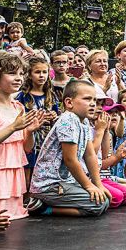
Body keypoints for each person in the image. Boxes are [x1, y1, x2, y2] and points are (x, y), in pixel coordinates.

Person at [27, 80, 111, 216]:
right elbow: (70, 160)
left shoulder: (83, 122)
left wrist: (98, 184)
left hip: (66, 182)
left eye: (94, 100)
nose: (93, 104)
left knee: (104, 198)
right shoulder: (68, 120)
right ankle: (42, 208)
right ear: (69, 102)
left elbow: (90, 155)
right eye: (87, 99)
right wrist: (89, 186)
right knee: (98, 204)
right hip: (49, 185)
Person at [0, 53, 44, 220]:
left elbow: (26, 148)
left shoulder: (18, 107)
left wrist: (30, 131)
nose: (18, 78)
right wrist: (13, 127)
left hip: (14, 175)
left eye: (21, 74)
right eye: (11, 73)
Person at [16, 57, 60, 187]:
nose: (41, 75)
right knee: (28, 172)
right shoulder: (23, 96)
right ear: (29, 74)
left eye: (44, 72)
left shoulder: (50, 95)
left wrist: (53, 116)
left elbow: (56, 115)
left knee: (41, 171)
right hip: (29, 138)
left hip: (46, 138)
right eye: (37, 72)